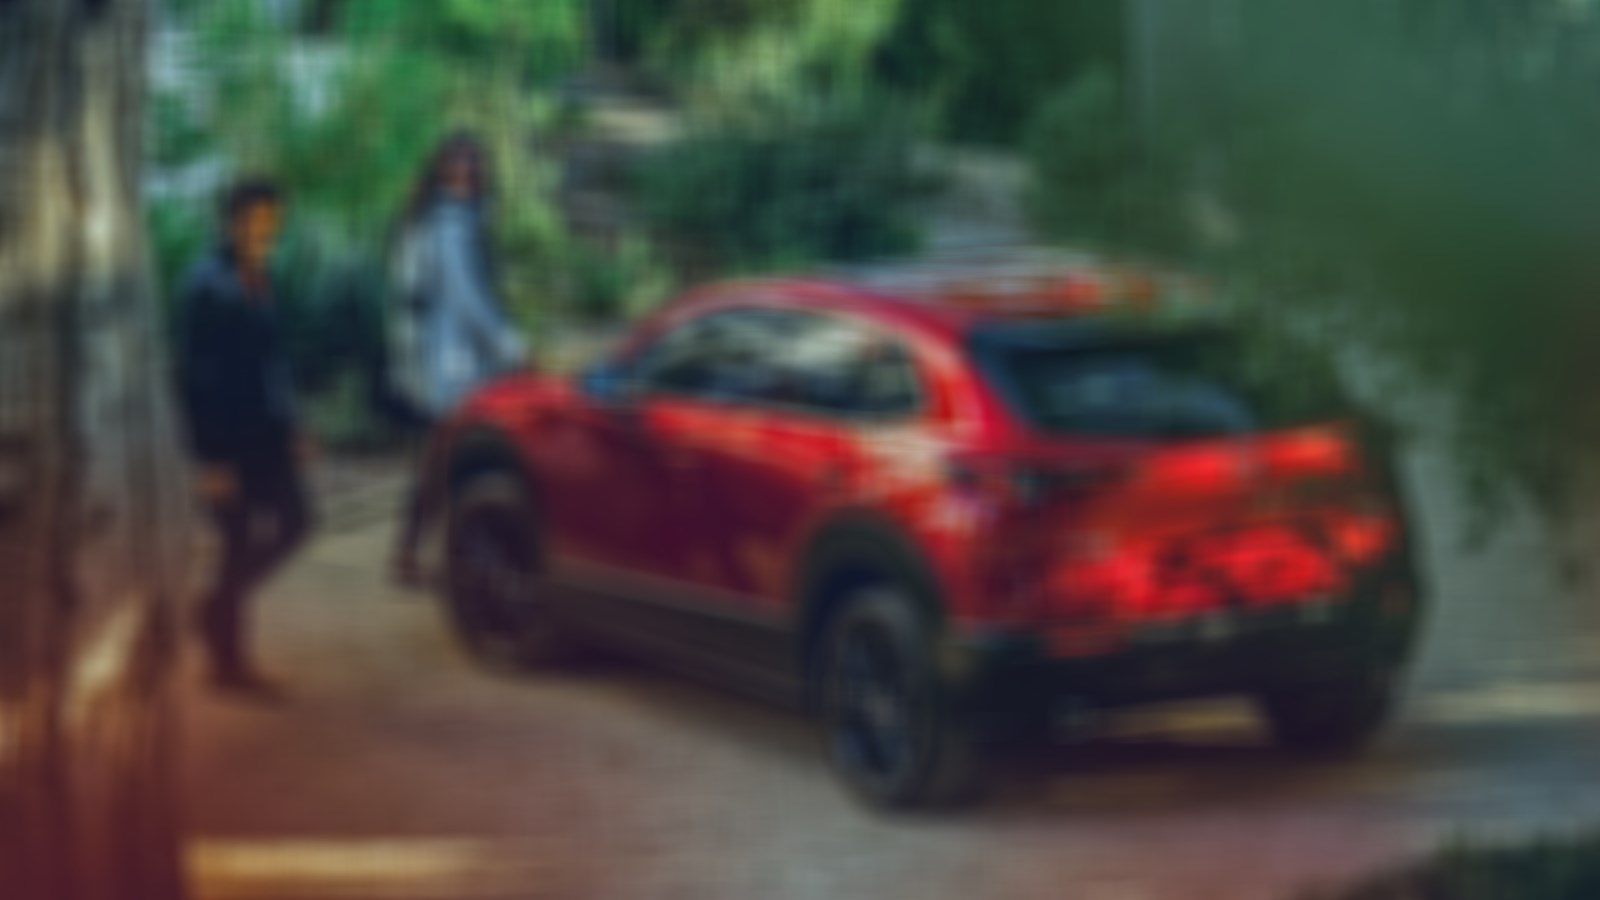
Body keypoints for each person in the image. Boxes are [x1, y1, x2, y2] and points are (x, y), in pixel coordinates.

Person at [175, 177, 315, 694]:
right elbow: (193, 378)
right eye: (257, 221)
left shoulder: (259, 278)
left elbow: (273, 363)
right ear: (232, 222)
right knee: (236, 544)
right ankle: (229, 665)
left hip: (268, 434)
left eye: (271, 222)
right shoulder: (204, 285)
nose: (266, 231)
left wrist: (294, 424)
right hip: (228, 442)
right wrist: (209, 460)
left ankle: (213, 608)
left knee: (298, 522)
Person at [386, 132, 528, 585]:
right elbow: (466, 299)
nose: (466, 170)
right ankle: (432, 554)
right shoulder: (449, 223)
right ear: (442, 169)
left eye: (472, 162)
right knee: (447, 457)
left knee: (440, 458)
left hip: (448, 356)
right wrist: (509, 344)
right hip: (452, 361)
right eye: (457, 162)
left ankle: (418, 554)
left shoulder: (452, 217)